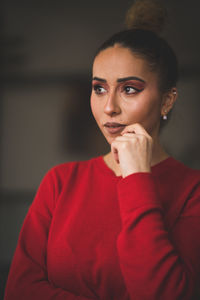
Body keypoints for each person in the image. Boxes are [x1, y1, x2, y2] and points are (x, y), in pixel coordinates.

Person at [4, 0, 200, 299]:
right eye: (99, 88)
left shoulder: (192, 191)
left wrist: (137, 178)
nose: (109, 107)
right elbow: (19, 290)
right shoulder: (60, 181)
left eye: (129, 89)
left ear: (167, 100)